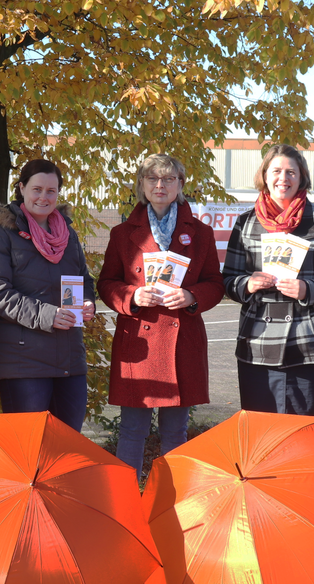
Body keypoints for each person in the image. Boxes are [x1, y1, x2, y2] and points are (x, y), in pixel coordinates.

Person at [98, 154, 224, 479]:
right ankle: (125, 499)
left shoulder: (201, 233)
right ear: (141, 184)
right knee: (131, 431)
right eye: (152, 178)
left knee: (176, 433)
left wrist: (192, 296)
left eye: (168, 179)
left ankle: (175, 502)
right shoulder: (122, 233)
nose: (160, 185)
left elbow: (215, 284)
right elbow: (106, 284)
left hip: (182, 344)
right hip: (138, 344)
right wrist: (132, 296)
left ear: (180, 185)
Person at [222, 144, 314, 416]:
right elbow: (228, 281)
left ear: (302, 177)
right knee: (261, 435)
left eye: (291, 172)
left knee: (308, 436)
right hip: (258, 344)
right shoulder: (245, 223)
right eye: (277, 171)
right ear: (265, 175)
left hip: (311, 343)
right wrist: (247, 284)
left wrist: (310, 289)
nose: (284, 178)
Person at [0, 159, 96, 432]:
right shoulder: (0, 233)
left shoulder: (67, 234)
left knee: (68, 448)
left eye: (51, 191)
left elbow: (83, 280)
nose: (43, 197)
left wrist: (88, 302)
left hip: (68, 359)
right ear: (21, 188)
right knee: (29, 451)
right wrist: (48, 315)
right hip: (22, 364)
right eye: (37, 189)